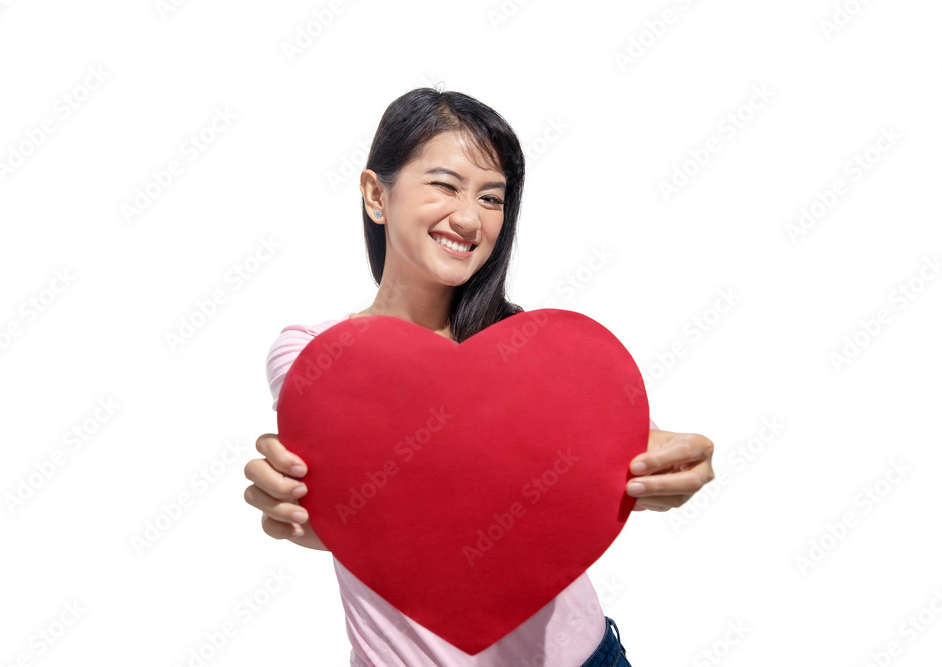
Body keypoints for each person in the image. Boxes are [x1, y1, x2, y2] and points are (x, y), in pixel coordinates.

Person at [243, 87, 715, 666]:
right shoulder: (312, 354)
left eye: (492, 198)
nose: (469, 217)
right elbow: (382, 507)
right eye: (444, 185)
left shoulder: (540, 352)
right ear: (376, 195)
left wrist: (669, 469)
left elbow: (626, 457)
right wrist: (312, 518)